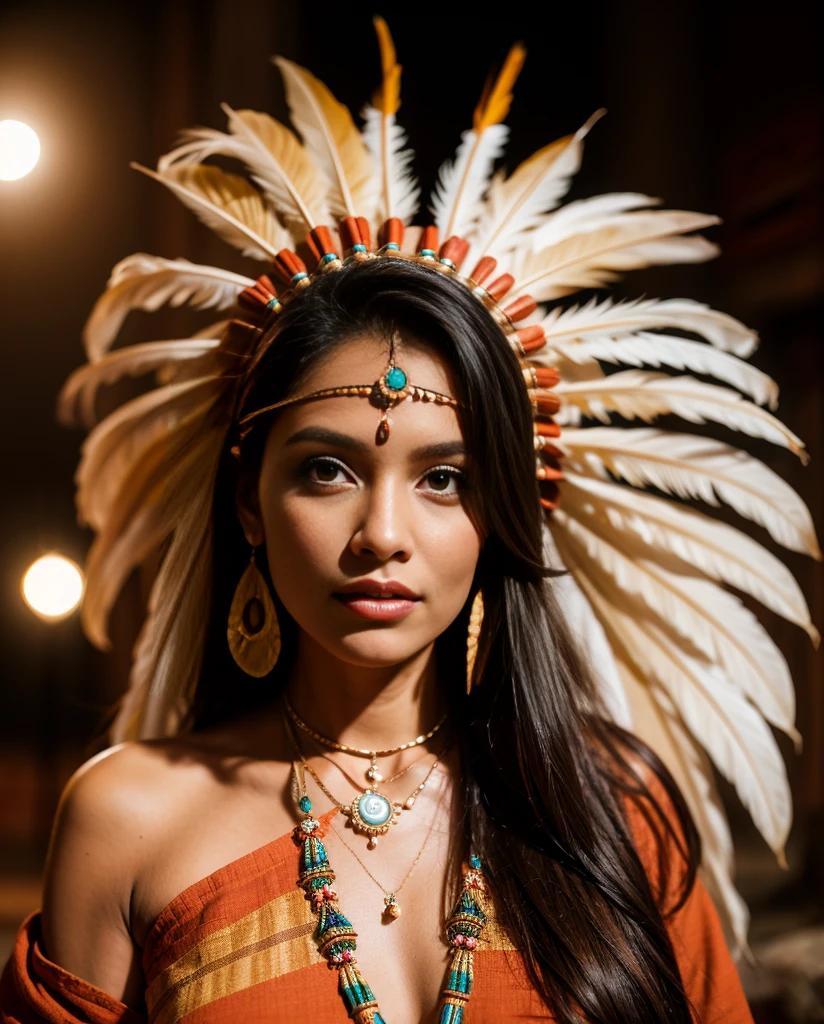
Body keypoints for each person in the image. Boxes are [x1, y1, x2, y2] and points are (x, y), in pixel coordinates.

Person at [2, 17, 816, 1024]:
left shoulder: (615, 811)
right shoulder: (126, 819)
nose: (380, 530)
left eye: (443, 479)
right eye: (326, 469)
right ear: (249, 504)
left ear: (499, 517)